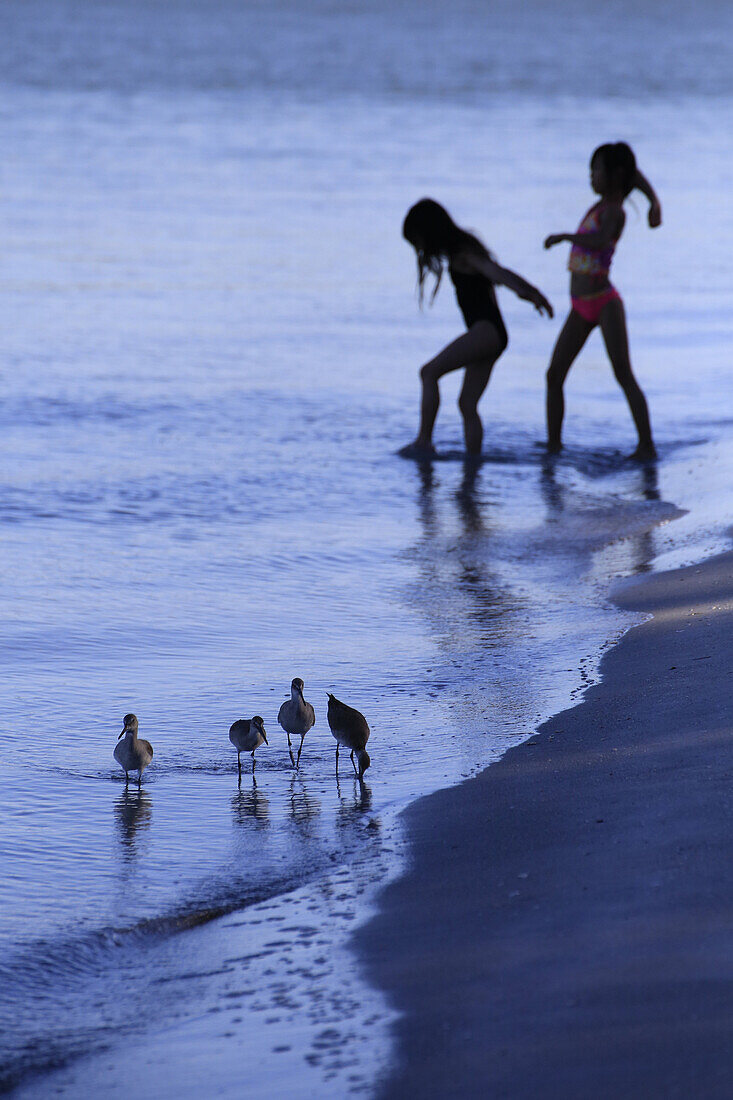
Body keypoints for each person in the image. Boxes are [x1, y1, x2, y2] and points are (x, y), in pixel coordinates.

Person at [399, 198, 553, 458]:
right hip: (494, 334)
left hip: (486, 332)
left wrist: (530, 293)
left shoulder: (464, 254)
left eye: (418, 242)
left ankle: (423, 442)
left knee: (429, 373)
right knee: (467, 404)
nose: (420, 250)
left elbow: (499, 274)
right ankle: (473, 464)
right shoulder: (460, 251)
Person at [544, 142, 662, 459]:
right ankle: (553, 447)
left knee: (623, 374)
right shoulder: (601, 205)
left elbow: (599, 241)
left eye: (595, 170)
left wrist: (565, 236)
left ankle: (646, 446)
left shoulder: (614, 212)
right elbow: (634, 176)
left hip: (604, 302)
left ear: (614, 175)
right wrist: (654, 202)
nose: (590, 177)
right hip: (579, 307)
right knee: (554, 375)